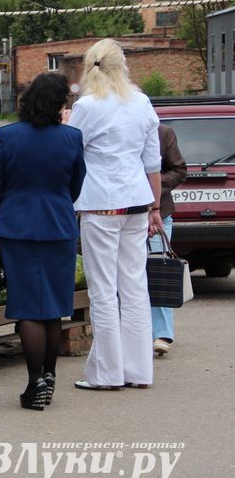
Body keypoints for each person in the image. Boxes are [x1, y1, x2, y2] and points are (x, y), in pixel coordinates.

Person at [0, 73, 86, 410]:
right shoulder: (72, 138)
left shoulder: (8, 136)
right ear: (60, 103)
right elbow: (76, 185)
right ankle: (50, 374)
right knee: (54, 307)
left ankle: (34, 383)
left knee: (28, 308)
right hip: (59, 227)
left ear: (27, 99)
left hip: (18, 229)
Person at [67, 39, 164, 391]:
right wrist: (155, 206)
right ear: (122, 65)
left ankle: (107, 374)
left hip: (100, 203)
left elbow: (72, 152)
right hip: (137, 202)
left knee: (103, 290)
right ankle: (139, 371)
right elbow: (152, 162)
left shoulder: (87, 106)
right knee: (135, 287)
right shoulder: (141, 102)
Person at [150, 124, 187, 355]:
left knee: (158, 269)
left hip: (159, 212)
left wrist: (154, 186)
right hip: (124, 214)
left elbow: (179, 169)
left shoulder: (163, 133)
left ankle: (162, 333)